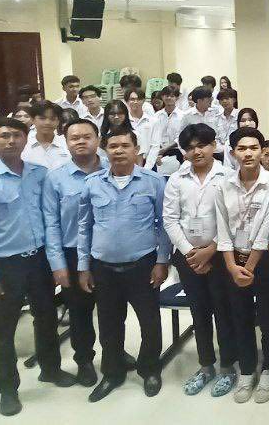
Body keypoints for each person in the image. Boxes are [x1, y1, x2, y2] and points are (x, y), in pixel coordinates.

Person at [0, 118, 74, 416]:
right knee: (4, 329)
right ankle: (7, 390)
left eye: (16, 135)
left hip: (39, 261)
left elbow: (50, 218)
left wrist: (55, 262)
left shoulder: (40, 175)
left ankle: (51, 369)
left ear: (26, 139)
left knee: (46, 317)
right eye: (3, 136)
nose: (10, 141)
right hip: (5, 265)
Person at [78, 125, 171, 403]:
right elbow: (85, 227)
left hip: (143, 265)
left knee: (150, 322)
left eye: (125, 145)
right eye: (113, 146)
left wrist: (162, 261)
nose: (119, 151)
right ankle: (112, 373)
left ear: (136, 149)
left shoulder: (153, 182)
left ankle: (149, 369)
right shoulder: (92, 183)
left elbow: (164, 225)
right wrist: (83, 266)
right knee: (109, 325)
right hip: (103, 268)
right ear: (105, 150)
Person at [163, 124, 238, 397]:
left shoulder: (227, 176)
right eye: (190, 147)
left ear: (214, 146)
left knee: (223, 311)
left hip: (220, 255)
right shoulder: (176, 179)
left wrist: (212, 249)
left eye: (202, 145)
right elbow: (170, 220)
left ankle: (228, 367)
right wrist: (190, 253)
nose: (197, 151)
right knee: (199, 312)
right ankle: (206, 366)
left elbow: (232, 218)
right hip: (188, 257)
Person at [214, 127, 269, 403]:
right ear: (233, 153)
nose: (248, 153)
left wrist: (250, 266)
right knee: (240, 317)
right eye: (242, 148)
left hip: (264, 261)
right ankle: (246, 370)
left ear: (262, 151)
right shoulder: (223, 185)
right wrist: (232, 267)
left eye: (254, 148)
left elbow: (268, 229)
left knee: (267, 318)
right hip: (233, 260)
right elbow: (222, 229)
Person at [41, 119, 109, 387]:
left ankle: (114, 355)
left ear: (98, 139)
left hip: (107, 254)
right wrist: (57, 264)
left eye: (87, 136)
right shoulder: (55, 178)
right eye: (74, 138)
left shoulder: (113, 169)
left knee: (112, 311)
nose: (81, 141)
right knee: (80, 313)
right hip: (71, 254)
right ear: (66, 143)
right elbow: (51, 223)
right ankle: (84, 361)